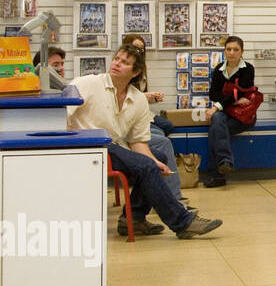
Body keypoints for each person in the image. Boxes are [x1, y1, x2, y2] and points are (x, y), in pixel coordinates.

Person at [66, 45, 221, 239]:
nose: (117, 64)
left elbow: (138, 141)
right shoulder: (86, 84)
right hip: (84, 147)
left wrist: (155, 163)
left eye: (125, 63)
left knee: (158, 158)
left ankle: (135, 219)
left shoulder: (138, 99)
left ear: (136, 71)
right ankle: (182, 222)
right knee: (147, 165)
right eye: (117, 59)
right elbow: (60, 116)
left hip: (111, 147)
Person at [121, 33, 185, 207]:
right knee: (163, 143)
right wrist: (144, 97)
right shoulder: (121, 76)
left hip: (137, 120)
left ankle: (165, 196)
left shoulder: (139, 72)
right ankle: (173, 198)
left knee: (164, 128)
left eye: (142, 49)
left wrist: (147, 98)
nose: (139, 52)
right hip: (125, 129)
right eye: (135, 48)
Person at [203, 36, 255, 187]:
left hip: (243, 117)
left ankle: (217, 175)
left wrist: (218, 105)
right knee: (217, 122)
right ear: (224, 51)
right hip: (225, 114)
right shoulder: (219, 69)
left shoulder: (248, 69)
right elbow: (213, 94)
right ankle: (225, 162)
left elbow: (240, 91)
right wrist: (234, 99)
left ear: (242, 52)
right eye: (228, 49)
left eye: (236, 50)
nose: (231, 53)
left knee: (215, 129)